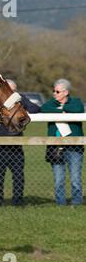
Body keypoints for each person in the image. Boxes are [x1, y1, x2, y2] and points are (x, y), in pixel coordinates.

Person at [0, 79, 41, 206]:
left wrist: (20, 101)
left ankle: (17, 203)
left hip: (15, 147)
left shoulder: (20, 100)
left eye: (13, 90)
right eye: (9, 90)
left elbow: (36, 109)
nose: (11, 93)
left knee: (18, 177)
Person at [41, 78, 84, 206]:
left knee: (75, 178)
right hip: (55, 147)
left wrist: (63, 109)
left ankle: (76, 202)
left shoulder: (76, 102)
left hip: (74, 146)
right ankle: (60, 203)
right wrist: (62, 111)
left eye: (57, 91)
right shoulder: (51, 103)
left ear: (66, 92)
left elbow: (78, 109)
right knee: (58, 179)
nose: (54, 93)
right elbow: (44, 108)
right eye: (54, 91)